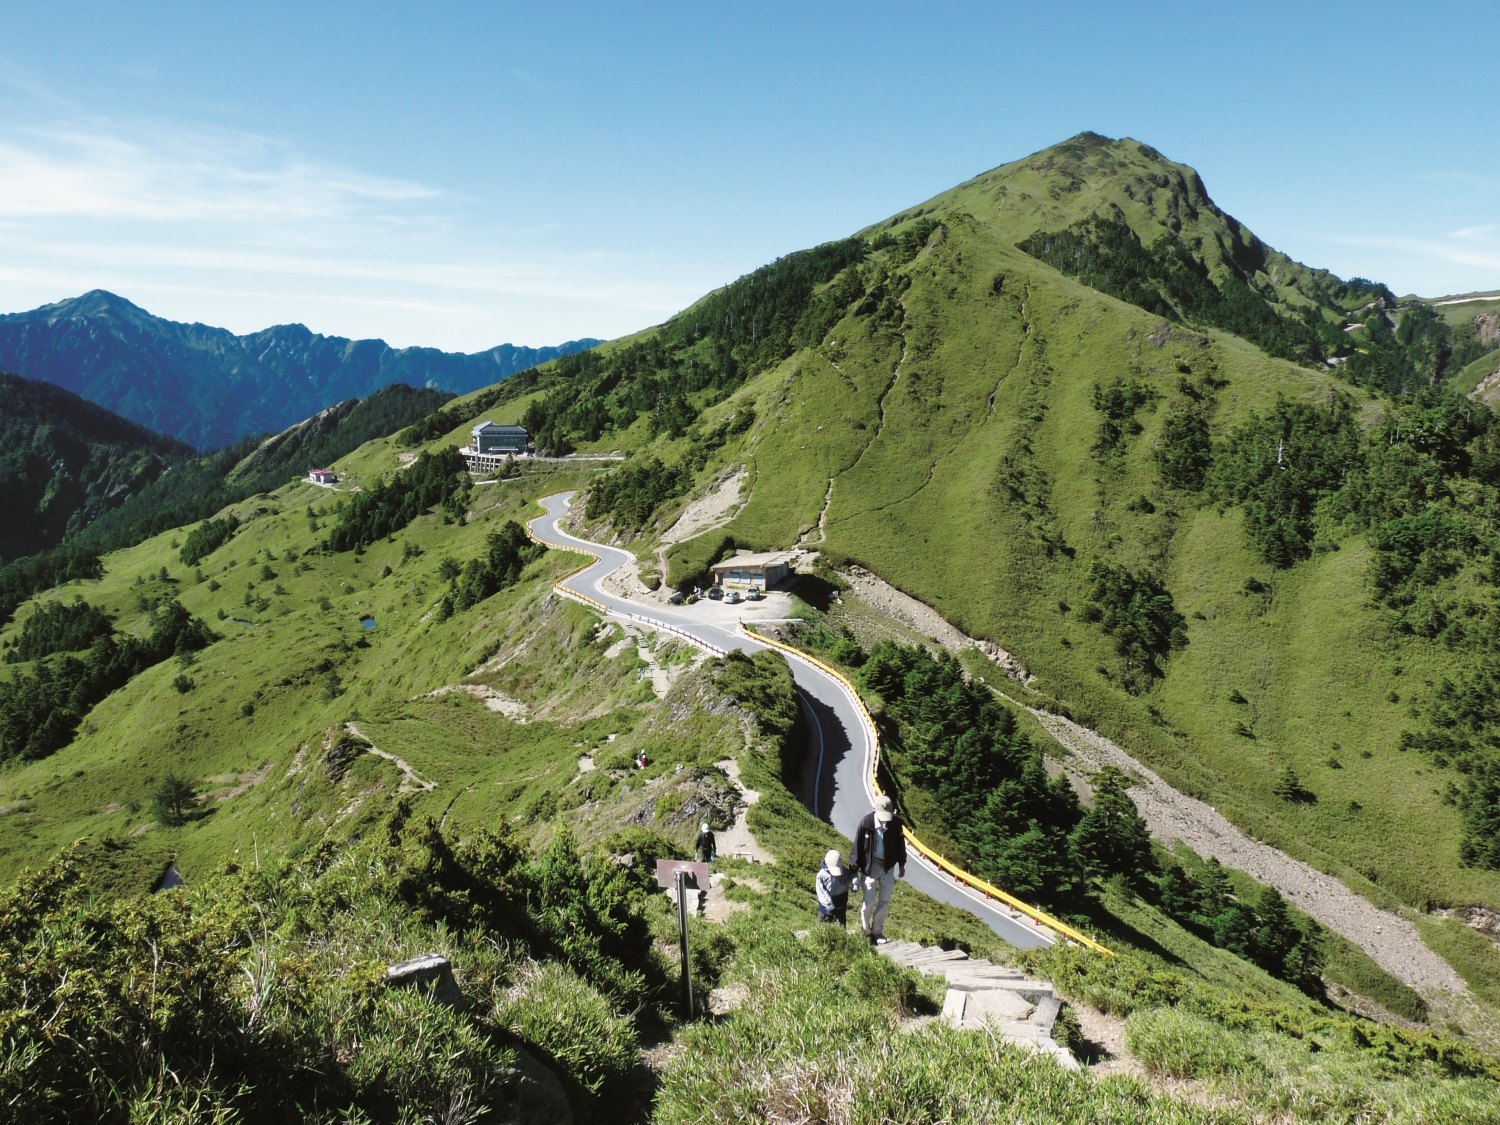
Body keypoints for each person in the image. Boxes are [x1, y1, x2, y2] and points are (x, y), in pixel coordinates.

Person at [852, 794, 906, 944]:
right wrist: (853, 871)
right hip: (870, 867)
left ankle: (877, 932)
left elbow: (900, 843)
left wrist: (901, 863)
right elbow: (857, 847)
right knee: (868, 902)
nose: (884, 820)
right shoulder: (866, 823)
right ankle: (865, 932)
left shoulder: (896, 822)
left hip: (888, 866)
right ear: (874, 809)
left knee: (884, 900)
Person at [815, 849, 851, 926]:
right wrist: (828, 903)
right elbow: (821, 890)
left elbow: (851, 876)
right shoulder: (821, 875)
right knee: (823, 927)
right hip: (826, 907)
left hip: (841, 904)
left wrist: (855, 880)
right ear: (827, 863)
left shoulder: (844, 871)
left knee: (840, 928)